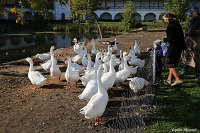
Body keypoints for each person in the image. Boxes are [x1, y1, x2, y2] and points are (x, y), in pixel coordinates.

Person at [162, 13, 187, 86]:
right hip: (180, 45)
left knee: (168, 62)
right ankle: (169, 79)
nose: (164, 21)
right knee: (173, 62)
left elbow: (170, 39)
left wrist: (165, 40)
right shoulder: (177, 24)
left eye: (164, 19)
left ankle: (177, 79)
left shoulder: (170, 26)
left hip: (174, 46)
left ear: (167, 19)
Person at [181, 6, 200, 80]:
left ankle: (198, 73)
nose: (190, 13)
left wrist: (192, 32)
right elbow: (188, 29)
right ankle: (185, 70)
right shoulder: (191, 21)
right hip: (189, 41)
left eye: (191, 11)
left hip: (197, 42)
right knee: (186, 55)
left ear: (196, 12)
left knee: (197, 57)